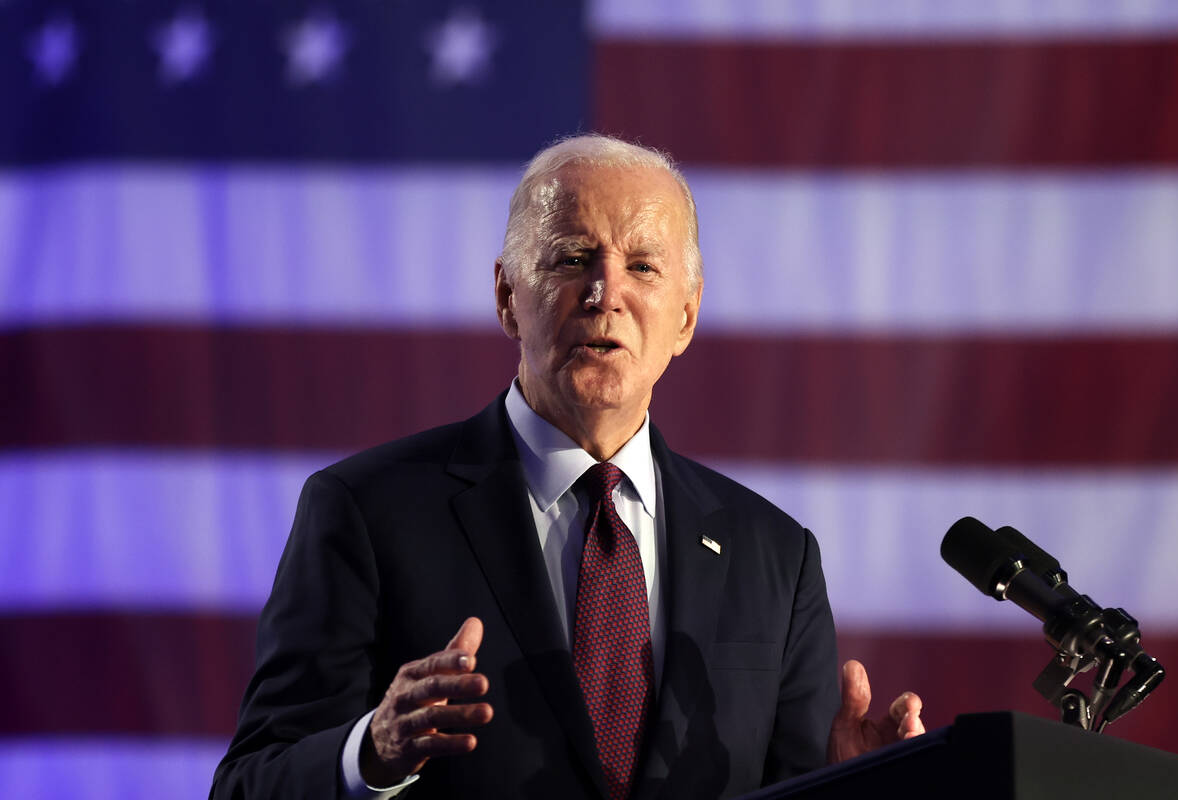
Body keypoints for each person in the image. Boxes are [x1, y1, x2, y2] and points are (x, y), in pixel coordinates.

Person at [210, 134, 923, 800]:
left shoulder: (776, 557)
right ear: (505, 297)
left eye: (642, 266)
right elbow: (249, 783)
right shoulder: (366, 513)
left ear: (686, 315)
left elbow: (789, 787)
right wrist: (372, 750)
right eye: (572, 257)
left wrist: (852, 789)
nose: (604, 293)